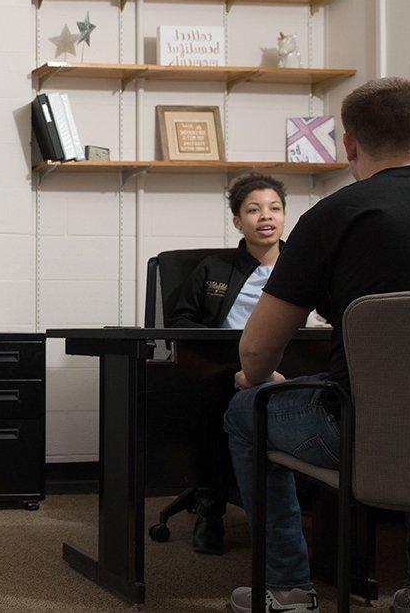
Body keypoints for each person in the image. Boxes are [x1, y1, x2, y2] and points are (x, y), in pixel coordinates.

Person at [224, 77, 410, 613]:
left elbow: (255, 351)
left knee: (248, 408)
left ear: (350, 145)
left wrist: (257, 377)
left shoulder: (332, 215)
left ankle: (288, 587)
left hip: (363, 435)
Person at [166, 173, 288, 555]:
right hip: (224, 368)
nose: (265, 217)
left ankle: (291, 522)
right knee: (211, 409)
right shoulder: (213, 268)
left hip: (289, 365)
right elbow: (180, 321)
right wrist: (235, 366)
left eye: (274, 208)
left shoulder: (301, 265)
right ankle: (211, 509)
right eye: (253, 210)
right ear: (237, 220)